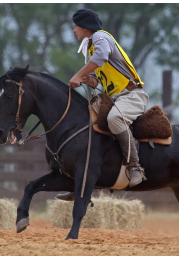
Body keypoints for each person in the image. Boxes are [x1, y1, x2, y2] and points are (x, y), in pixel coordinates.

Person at [68, 9, 149, 188]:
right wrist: (90, 80)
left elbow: (101, 56)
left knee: (115, 119)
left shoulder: (100, 37)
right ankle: (81, 181)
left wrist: (79, 74)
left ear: (85, 28)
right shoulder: (92, 46)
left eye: (75, 27)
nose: (74, 31)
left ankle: (135, 167)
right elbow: (102, 81)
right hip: (117, 98)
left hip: (132, 95)